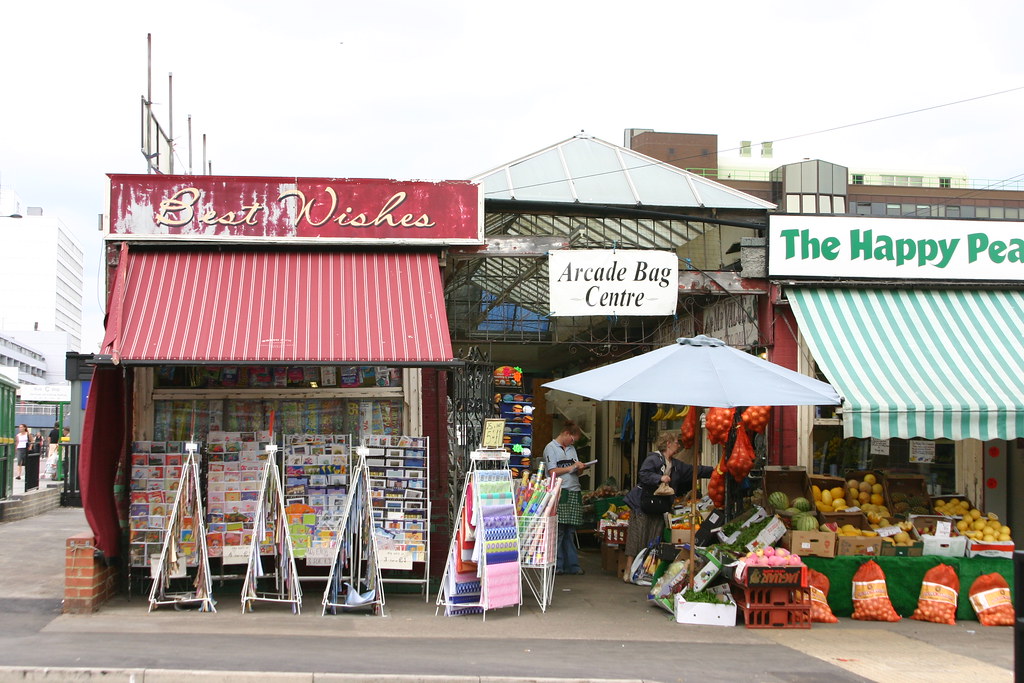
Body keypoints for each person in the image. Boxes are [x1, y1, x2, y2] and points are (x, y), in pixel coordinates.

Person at [622, 430, 714, 583]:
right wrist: (659, 478)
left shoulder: (676, 464)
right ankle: (628, 569)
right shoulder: (653, 458)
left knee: (653, 538)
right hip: (642, 504)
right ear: (668, 444)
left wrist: (716, 471)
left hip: (659, 506)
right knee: (637, 535)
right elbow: (643, 474)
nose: (679, 445)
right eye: (676, 442)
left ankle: (645, 571)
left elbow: (694, 471)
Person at [543, 420, 588, 575]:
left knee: (570, 530)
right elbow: (552, 471)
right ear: (567, 434)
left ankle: (572, 564)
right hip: (560, 491)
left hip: (574, 489)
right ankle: (558, 564)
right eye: (573, 439)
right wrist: (572, 467)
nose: (572, 442)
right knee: (559, 530)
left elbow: (574, 469)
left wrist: (580, 468)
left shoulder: (572, 449)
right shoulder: (550, 448)